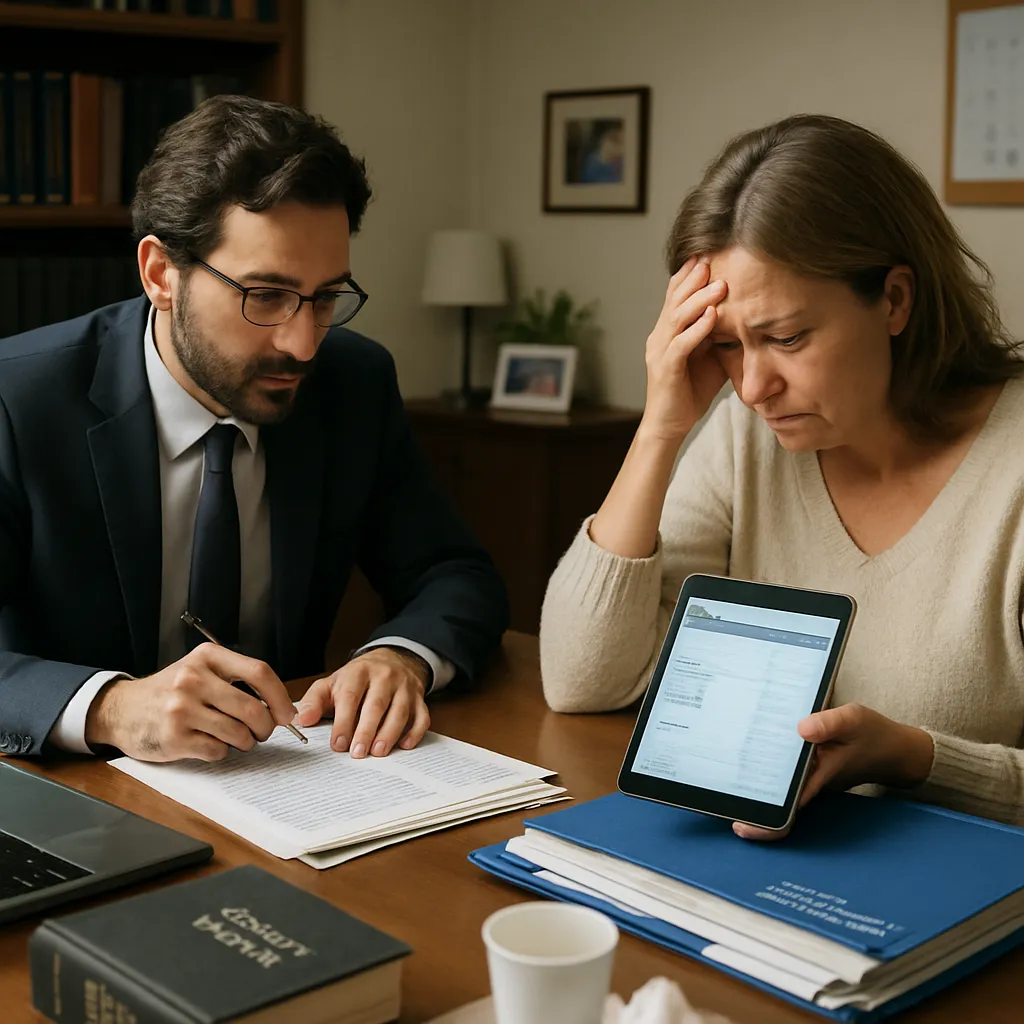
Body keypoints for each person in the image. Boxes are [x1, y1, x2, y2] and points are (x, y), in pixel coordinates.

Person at [540, 113, 1024, 833]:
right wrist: (661, 428)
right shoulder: (747, 434)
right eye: (730, 345)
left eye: (787, 337)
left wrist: (913, 758)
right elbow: (582, 680)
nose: (754, 386)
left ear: (894, 299)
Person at [0, 95, 508, 763]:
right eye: (263, 296)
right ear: (160, 275)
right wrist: (112, 707)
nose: (302, 343)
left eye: (326, 296)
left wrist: (401, 656)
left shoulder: (352, 384)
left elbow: (453, 571)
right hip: (75, 794)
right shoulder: (18, 398)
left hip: (290, 789)